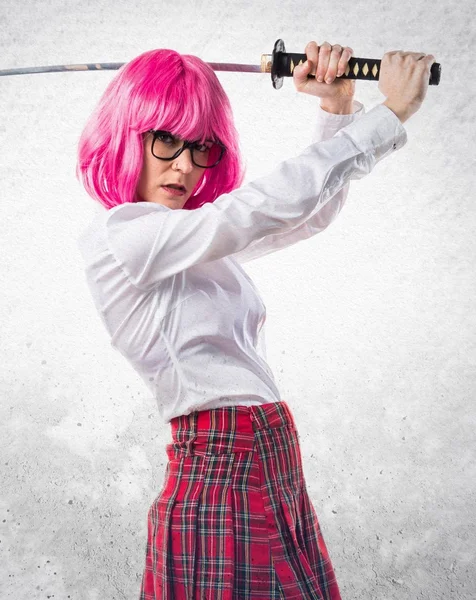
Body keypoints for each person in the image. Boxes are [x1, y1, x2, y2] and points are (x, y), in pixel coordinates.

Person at [76, 41, 435, 599]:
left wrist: (337, 109)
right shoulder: (125, 236)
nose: (184, 165)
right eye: (166, 139)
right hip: (223, 465)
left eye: (201, 148)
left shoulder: (180, 242)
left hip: (264, 459)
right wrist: (388, 116)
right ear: (127, 135)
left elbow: (303, 216)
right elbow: (256, 210)